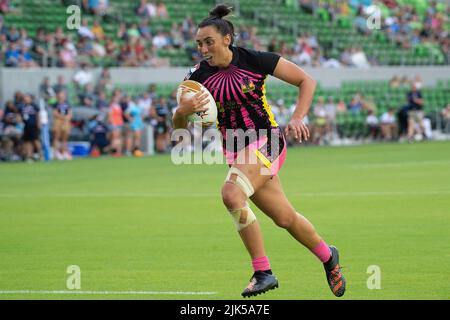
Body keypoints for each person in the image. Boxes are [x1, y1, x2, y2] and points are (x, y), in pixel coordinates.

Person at [172, 4, 346, 298]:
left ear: (227, 38)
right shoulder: (196, 77)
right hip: (237, 153)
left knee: (231, 194)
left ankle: (262, 271)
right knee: (285, 218)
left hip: (268, 142)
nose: (203, 48)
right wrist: (182, 111)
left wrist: (298, 117)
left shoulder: (254, 59)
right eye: (199, 43)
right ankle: (329, 257)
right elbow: (180, 133)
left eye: (209, 41)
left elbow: (307, 80)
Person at [52, 91, 73, 160]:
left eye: (63, 95)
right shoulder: (55, 104)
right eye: (60, 94)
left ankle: (64, 152)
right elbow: (54, 113)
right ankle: (56, 153)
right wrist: (63, 117)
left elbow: (70, 113)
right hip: (58, 121)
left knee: (65, 138)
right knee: (56, 137)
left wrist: (66, 118)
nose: (62, 96)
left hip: (66, 122)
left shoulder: (67, 104)